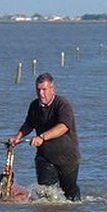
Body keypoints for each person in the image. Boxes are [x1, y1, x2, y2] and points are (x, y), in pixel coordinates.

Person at [9, 73, 81, 201]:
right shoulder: (34, 106)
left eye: (44, 90)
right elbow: (29, 124)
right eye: (38, 90)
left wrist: (42, 137)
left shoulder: (62, 104)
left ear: (53, 89)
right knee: (46, 191)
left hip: (67, 157)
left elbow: (63, 127)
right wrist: (17, 137)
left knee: (69, 195)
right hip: (45, 156)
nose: (41, 93)